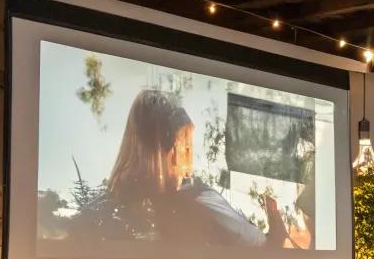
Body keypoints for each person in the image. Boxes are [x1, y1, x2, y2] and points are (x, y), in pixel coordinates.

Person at [74, 89, 267, 249]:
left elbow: (254, 240)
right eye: (181, 146)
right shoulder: (195, 200)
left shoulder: (198, 198)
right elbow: (259, 244)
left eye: (188, 147)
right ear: (157, 150)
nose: (186, 157)